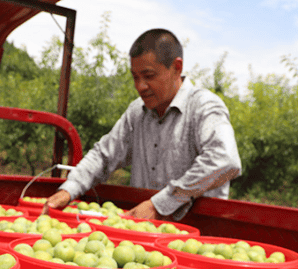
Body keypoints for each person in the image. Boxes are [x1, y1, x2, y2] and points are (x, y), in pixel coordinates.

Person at [43, 28, 242, 221]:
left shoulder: (203, 106)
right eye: (135, 77)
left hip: (196, 233)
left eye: (149, 76)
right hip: (141, 235)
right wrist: (69, 189)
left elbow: (225, 160)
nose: (140, 86)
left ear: (177, 67)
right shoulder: (137, 112)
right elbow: (104, 156)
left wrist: (160, 204)